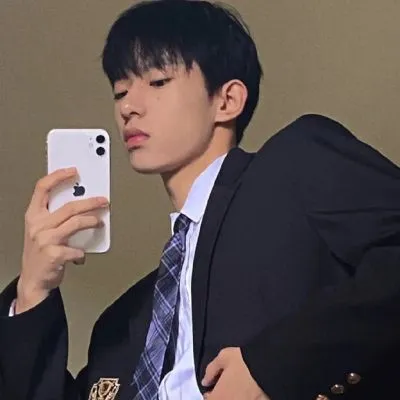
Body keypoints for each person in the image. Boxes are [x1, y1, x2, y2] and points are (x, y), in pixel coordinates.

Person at [1, 0, 400, 399]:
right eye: (120, 90)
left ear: (227, 100)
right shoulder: (121, 324)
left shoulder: (296, 163)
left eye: (158, 81)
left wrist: (271, 366)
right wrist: (33, 290)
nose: (128, 107)